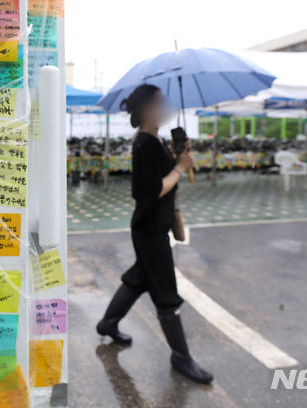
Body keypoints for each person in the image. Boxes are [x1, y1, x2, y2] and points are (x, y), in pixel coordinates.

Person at [95, 84, 213, 384]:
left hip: (150, 227)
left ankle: (108, 324)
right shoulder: (145, 144)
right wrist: (180, 168)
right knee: (166, 294)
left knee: (140, 279)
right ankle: (181, 357)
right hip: (149, 230)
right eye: (160, 103)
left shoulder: (153, 140)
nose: (165, 107)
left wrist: (178, 157)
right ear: (148, 109)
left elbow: (163, 177)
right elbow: (149, 192)